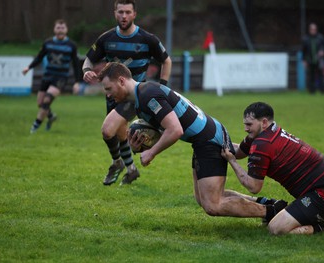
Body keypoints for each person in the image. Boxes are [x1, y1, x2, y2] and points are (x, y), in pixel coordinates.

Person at [97, 62, 288, 223]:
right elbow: (161, 130)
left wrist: (152, 152)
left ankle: (273, 213)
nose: (107, 94)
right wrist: (140, 146)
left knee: (213, 205)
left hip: (208, 139)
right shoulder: (141, 97)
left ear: (121, 81)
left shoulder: (148, 94)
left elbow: (175, 130)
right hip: (204, 138)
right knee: (203, 199)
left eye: (108, 88)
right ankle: (266, 203)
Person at [82, 0, 172, 185]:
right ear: (115, 13)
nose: (124, 16)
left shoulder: (148, 39)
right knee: (119, 133)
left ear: (134, 14)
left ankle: (117, 163)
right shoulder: (106, 38)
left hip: (135, 95)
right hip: (113, 95)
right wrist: (86, 71)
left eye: (127, 12)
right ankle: (131, 169)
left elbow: (166, 60)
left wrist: (162, 86)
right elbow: (88, 60)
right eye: (120, 12)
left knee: (108, 131)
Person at [221, 102, 324, 235]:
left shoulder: (263, 144)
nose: (245, 128)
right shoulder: (269, 132)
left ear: (264, 122)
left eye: (249, 124)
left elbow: (253, 187)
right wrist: (216, 143)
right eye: (245, 124)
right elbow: (239, 152)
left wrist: (231, 161)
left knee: (276, 228)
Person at [23, 19, 81, 134]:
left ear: (66, 30)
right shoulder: (48, 43)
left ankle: (35, 126)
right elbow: (39, 57)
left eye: (62, 28)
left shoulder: (72, 45)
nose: (60, 30)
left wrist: (76, 82)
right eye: (58, 28)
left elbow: (76, 64)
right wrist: (29, 67)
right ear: (54, 29)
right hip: (47, 76)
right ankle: (51, 116)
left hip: (61, 78)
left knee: (47, 100)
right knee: (40, 103)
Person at [301, 23, 324, 94]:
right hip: (310, 60)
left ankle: (323, 91)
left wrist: (323, 51)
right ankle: (312, 91)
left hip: (319, 60)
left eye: (314, 29)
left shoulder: (321, 38)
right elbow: (303, 51)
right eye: (311, 29)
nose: (313, 30)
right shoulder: (306, 39)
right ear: (309, 30)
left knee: (321, 76)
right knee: (311, 77)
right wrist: (304, 60)